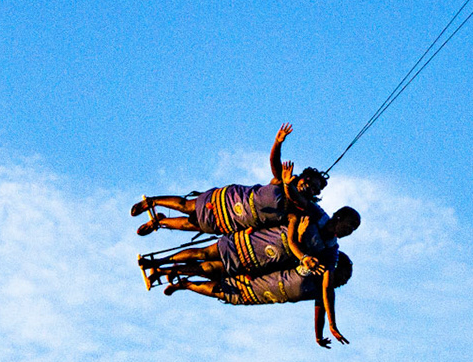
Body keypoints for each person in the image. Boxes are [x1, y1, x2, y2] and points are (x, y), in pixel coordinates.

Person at [132, 123, 325, 237]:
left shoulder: (299, 207)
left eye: (315, 190)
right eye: (311, 183)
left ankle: (160, 222)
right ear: (303, 177)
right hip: (232, 199)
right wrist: (278, 143)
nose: (310, 189)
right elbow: (274, 162)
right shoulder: (283, 180)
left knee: (190, 224)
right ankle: (152, 201)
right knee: (188, 207)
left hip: (238, 221)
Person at [141, 206, 359, 289]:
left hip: (258, 261)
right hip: (250, 241)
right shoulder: (314, 213)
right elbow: (289, 206)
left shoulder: (330, 250)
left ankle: (164, 271)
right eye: (349, 225)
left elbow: (314, 274)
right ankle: (158, 261)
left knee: (207, 268)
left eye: (353, 230)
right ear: (338, 217)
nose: (349, 231)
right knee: (203, 252)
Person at [167, 253, 352, 347]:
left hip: (262, 293)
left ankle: (185, 284)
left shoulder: (321, 292)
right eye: (343, 277)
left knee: (220, 290)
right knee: (216, 272)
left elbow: (321, 312)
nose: (342, 282)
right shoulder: (313, 269)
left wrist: (319, 336)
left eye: (345, 281)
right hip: (258, 275)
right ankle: (175, 269)